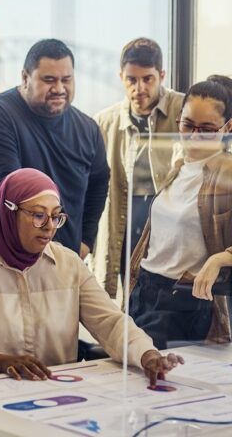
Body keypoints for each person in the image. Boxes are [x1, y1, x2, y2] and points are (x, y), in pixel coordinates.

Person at [0, 168, 182, 384]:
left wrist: (146, 354)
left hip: (60, 393)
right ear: (10, 212)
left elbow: (112, 323)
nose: (50, 226)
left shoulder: (68, 264)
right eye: (39, 215)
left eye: (55, 216)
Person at [128, 76, 232, 348]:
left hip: (183, 300)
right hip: (143, 291)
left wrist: (224, 257)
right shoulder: (180, 166)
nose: (195, 137)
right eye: (188, 125)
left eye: (207, 129)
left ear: (227, 127)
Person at [0, 39, 109, 258]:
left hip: (60, 265)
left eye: (66, 79)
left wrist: (85, 241)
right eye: (49, 80)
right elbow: (9, 197)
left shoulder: (87, 128)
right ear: (25, 78)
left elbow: (99, 182)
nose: (59, 88)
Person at [93, 38, 184, 299]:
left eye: (148, 79)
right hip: (123, 228)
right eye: (131, 80)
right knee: (125, 305)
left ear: (162, 75)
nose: (139, 88)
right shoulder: (104, 122)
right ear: (121, 76)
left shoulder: (183, 110)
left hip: (168, 229)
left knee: (164, 304)